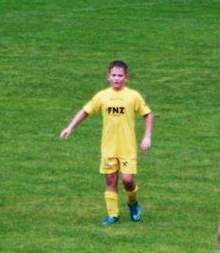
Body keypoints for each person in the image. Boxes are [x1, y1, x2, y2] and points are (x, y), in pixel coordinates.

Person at [60, 60, 153, 226]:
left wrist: (147, 137)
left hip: (127, 147)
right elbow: (85, 111)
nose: (116, 78)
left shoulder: (133, 96)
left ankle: (133, 202)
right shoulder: (102, 96)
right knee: (110, 179)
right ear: (108, 77)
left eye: (120, 75)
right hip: (109, 147)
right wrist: (70, 127)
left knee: (127, 180)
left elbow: (148, 115)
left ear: (126, 77)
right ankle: (113, 215)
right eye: (114, 75)